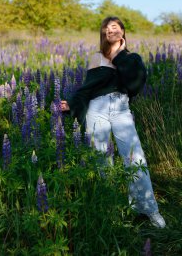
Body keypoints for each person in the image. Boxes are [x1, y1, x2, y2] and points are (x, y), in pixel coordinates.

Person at [61, 16, 166, 229]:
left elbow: (134, 84)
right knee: (101, 161)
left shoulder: (132, 59)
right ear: (103, 34)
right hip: (96, 109)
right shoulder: (96, 58)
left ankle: (148, 209)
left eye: (115, 27)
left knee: (135, 158)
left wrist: (119, 55)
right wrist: (72, 103)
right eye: (107, 28)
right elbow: (88, 88)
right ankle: (108, 210)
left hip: (121, 109)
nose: (111, 30)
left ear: (123, 32)